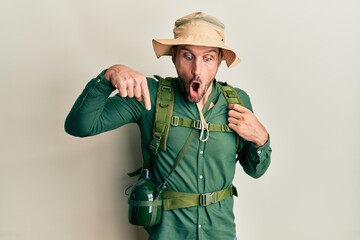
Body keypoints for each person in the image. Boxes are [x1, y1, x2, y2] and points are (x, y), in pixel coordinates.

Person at [65, 12, 271, 240]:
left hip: (221, 233)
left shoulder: (237, 101)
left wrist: (262, 140)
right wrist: (107, 78)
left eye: (208, 58)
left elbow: (255, 170)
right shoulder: (148, 96)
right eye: (188, 56)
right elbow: (79, 126)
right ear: (174, 57)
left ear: (220, 60)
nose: (197, 71)